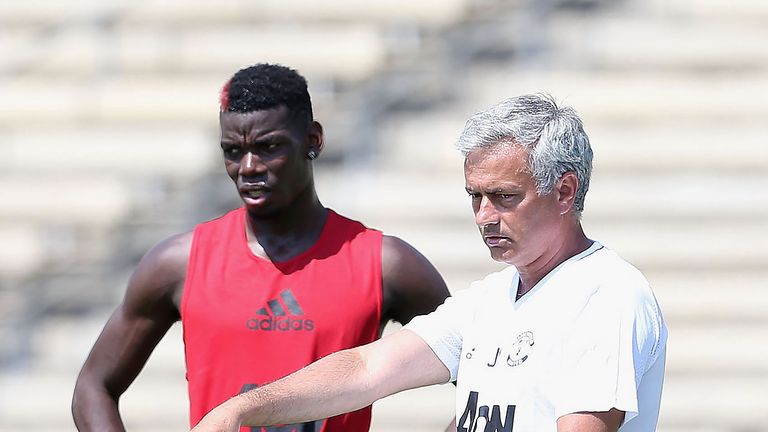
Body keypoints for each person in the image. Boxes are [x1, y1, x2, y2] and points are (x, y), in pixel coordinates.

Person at [190, 93, 668, 432]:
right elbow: (363, 371)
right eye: (474, 196)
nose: (484, 215)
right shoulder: (491, 297)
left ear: (564, 191)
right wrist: (240, 409)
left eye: (504, 197)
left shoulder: (607, 295)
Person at [71, 63, 451, 432]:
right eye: (233, 150)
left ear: (313, 140)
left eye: (269, 147)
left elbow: (489, 373)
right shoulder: (178, 263)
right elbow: (94, 387)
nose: (248, 166)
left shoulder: (387, 264)